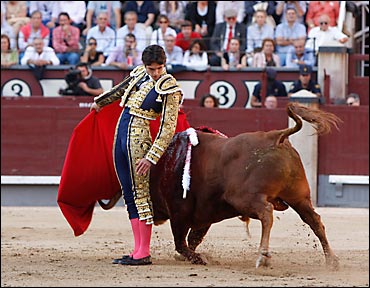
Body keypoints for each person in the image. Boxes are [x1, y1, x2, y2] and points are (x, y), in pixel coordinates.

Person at [90, 44, 184, 266]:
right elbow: (120, 90)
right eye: (152, 69)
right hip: (121, 133)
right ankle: (137, 249)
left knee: (140, 193)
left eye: (159, 68)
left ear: (165, 64)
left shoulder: (170, 87)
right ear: (145, 65)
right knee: (129, 192)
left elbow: (168, 127)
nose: (156, 73)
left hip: (139, 139)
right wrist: (99, 103)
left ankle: (144, 252)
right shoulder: (139, 73)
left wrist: (152, 156)